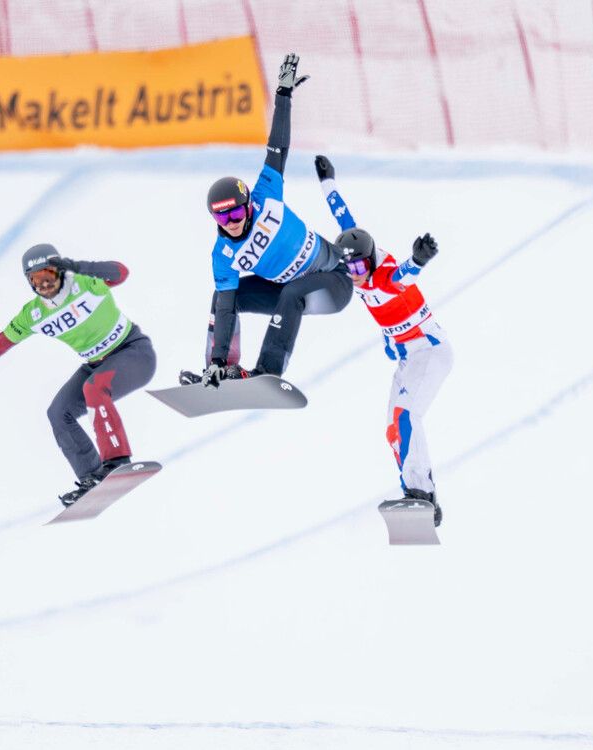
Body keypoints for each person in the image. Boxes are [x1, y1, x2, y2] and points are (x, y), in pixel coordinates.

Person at [0, 244, 156, 506]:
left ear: (60, 271)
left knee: (93, 387)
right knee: (58, 413)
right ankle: (92, 478)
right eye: (35, 279)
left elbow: (121, 273)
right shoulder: (34, 314)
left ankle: (117, 461)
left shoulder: (86, 283)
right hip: (96, 365)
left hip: (133, 353)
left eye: (48, 275)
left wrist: (77, 266)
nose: (43, 284)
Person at [183, 52, 355, 388]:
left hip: (334, 280)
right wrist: (217, 359)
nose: (231, 222)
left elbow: (278, 146)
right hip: (287, 291)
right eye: (222, 217)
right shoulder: (223, 256)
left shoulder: (267, 195)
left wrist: (283, 95)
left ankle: (268, 371)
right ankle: (220, 371)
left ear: (249, 205)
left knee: (292, 292)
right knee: (224, 298)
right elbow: (226, 309)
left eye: (236, 212)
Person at [315, 154, 453, 526]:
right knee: (394, 429)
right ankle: (418, 494)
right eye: (348, 268)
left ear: (371, 261)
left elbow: (403, 277)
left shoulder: (385, 274)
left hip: (429, 350)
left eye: (360, 266)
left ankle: (421, 494)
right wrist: (328, 182)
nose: (354, 274)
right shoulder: (356, 260)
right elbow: (343, 218)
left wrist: (418, 260)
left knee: (406, 416)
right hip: (409, 358)